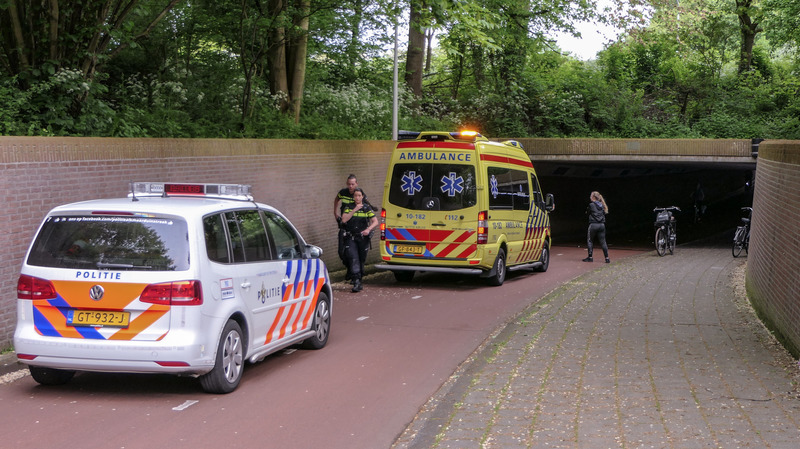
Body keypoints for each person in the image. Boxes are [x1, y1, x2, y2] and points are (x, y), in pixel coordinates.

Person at [341, 188, 378, 292]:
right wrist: (354, 210)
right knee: (353, 258)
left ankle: (359, 278)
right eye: (355, 196)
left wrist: (368, 229)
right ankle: (356, 281)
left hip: (363, 238)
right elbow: (344, 219)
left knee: (361, 258)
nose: (357, 197)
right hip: (351, 237)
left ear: (362, 197)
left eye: (359, 195)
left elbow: (375, 221)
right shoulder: (349, 207)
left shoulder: (366, 208)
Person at [334, 174, 358, 278]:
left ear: (356, 184)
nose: (351, 186)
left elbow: (365, 205)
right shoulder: (343, 192)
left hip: (354, 226)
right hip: (344, 225)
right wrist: (335, 213)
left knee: (351, 251)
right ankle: (349, 268)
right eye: (349, 184)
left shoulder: (358, 193)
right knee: (341, 251)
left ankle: (352, 273)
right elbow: (336, 200)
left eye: (353, 184)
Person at [583, 191, 610, 263]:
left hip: (593, 225)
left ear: (593, 197)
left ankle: (590, 257)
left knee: (590, 240)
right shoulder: (602, 205)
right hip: (602, 225)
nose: (590, 197)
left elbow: (587, 213)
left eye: (591, 196)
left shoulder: (591, 205)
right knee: (603, 242)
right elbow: (603, 213)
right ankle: (607, 258)